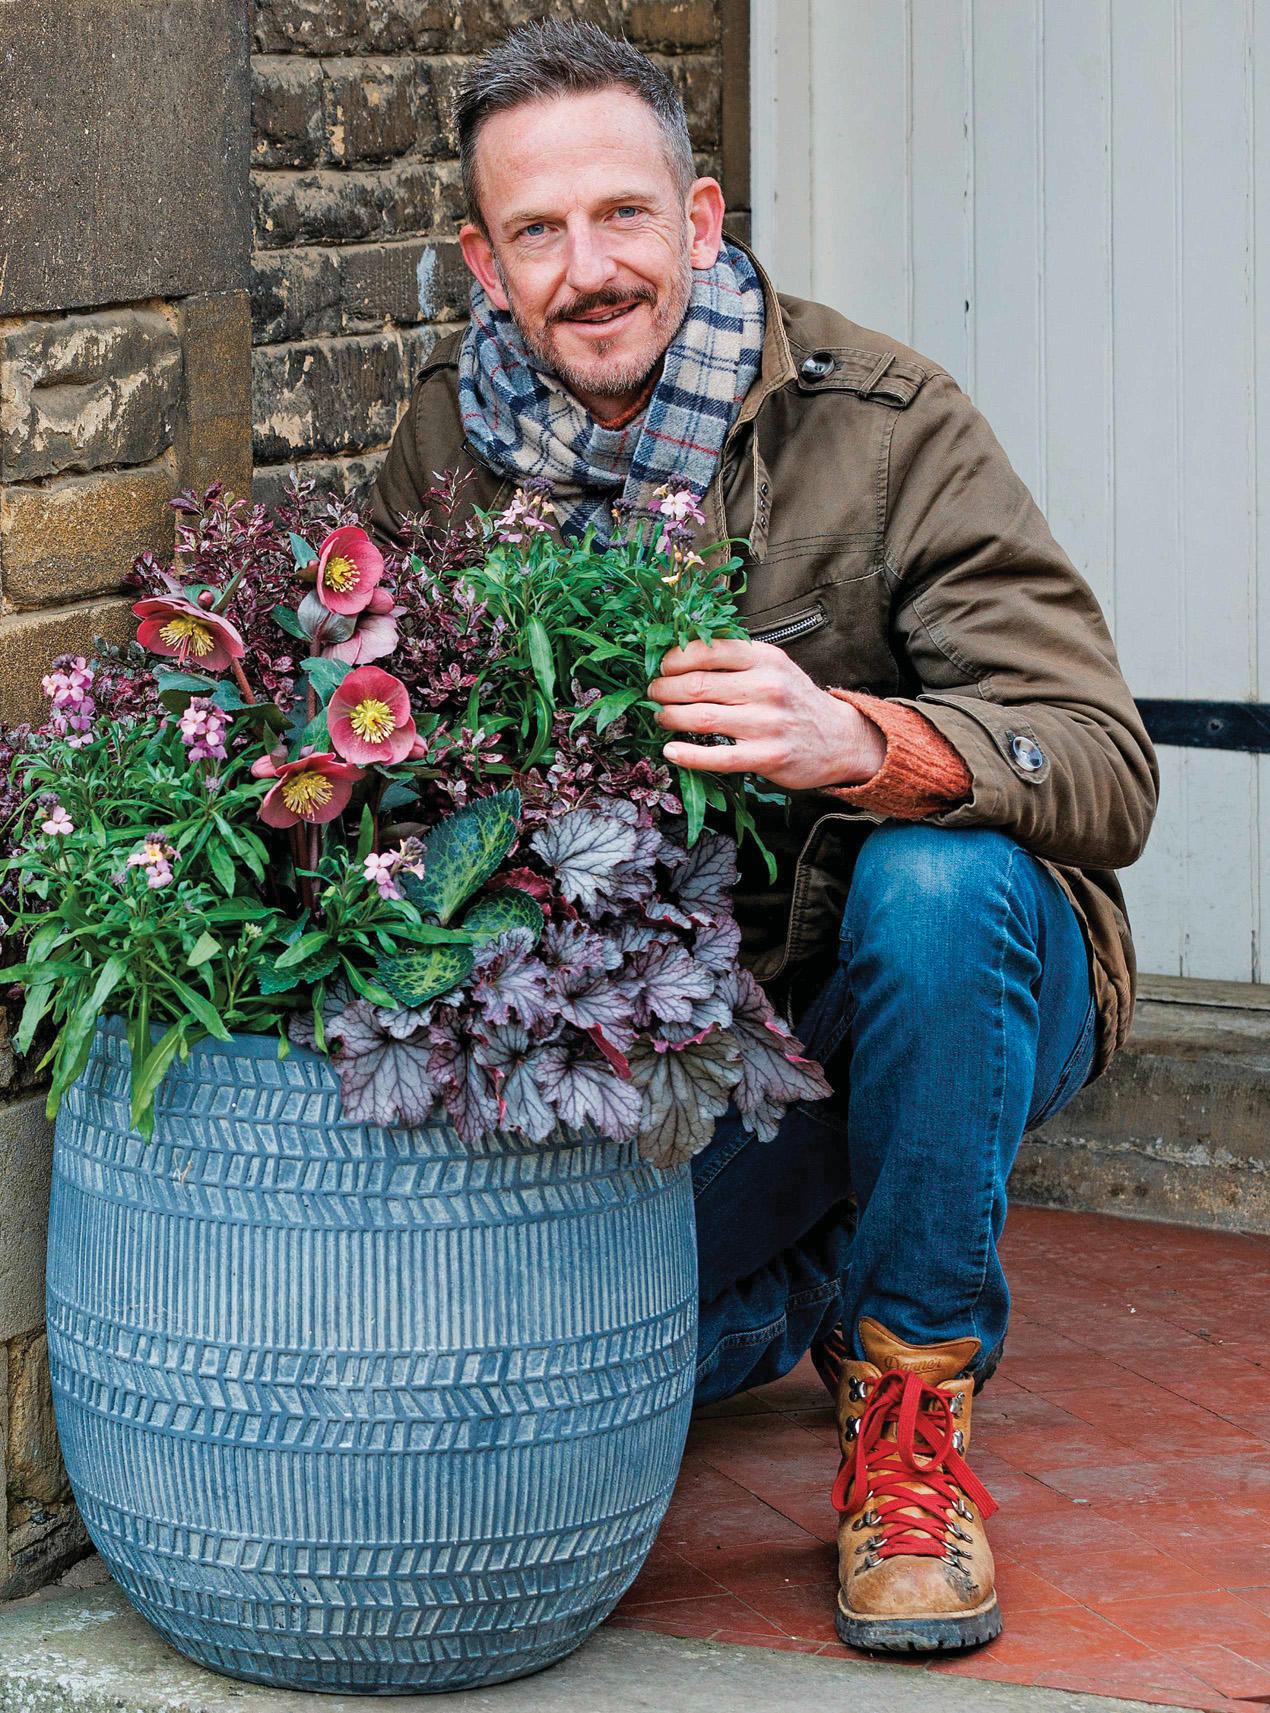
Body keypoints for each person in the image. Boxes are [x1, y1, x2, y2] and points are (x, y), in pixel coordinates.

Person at [368, 19, 1158, 1655]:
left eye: (625, 216)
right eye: (537, 230)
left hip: (919, 976)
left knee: (937, 887)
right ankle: (812, 1285)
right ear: (482, 257)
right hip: (684, 1055)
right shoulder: (445, 448)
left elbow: (1104, 767)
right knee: (555, 1368)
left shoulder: (876, 424)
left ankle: (913, 1394)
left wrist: (860, 739)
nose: (588, 269)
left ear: (703, 217)